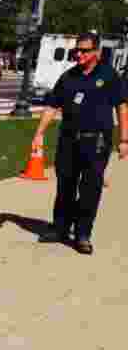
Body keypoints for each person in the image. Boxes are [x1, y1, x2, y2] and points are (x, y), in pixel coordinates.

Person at [33, 31, 128, 254]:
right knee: (65, 186)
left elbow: (122, 106)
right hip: (68, 140)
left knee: (90, 189)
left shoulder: (110, 76)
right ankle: (60, 228)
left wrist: (124, 139)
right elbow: (52, 106)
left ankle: (83, 234)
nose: (79, 54)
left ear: (96, 52)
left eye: (85, 50)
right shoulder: (68, 77)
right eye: (77, 50)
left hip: (96, 142)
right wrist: (39, 133)